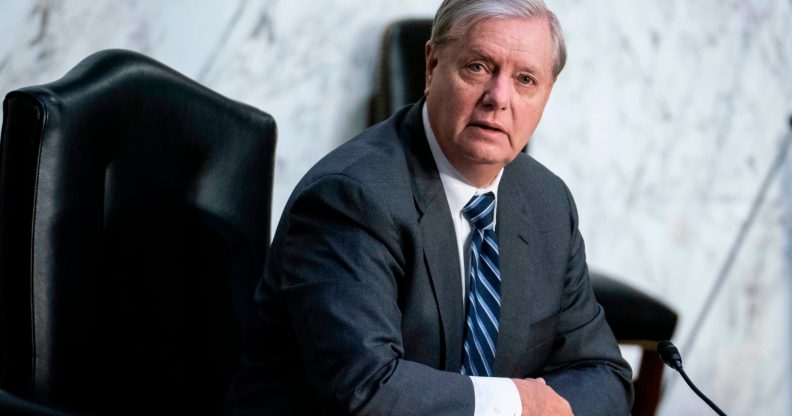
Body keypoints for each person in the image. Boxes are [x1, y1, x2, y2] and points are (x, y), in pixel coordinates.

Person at [226, 0, 633, 414]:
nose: (499, 98)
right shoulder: (351, 197)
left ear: (547, 96)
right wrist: (516, 404)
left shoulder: (548, 202)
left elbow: (602, 371)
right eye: (478, 67)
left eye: (525, 79)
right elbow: (367, 387)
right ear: (432, 64)